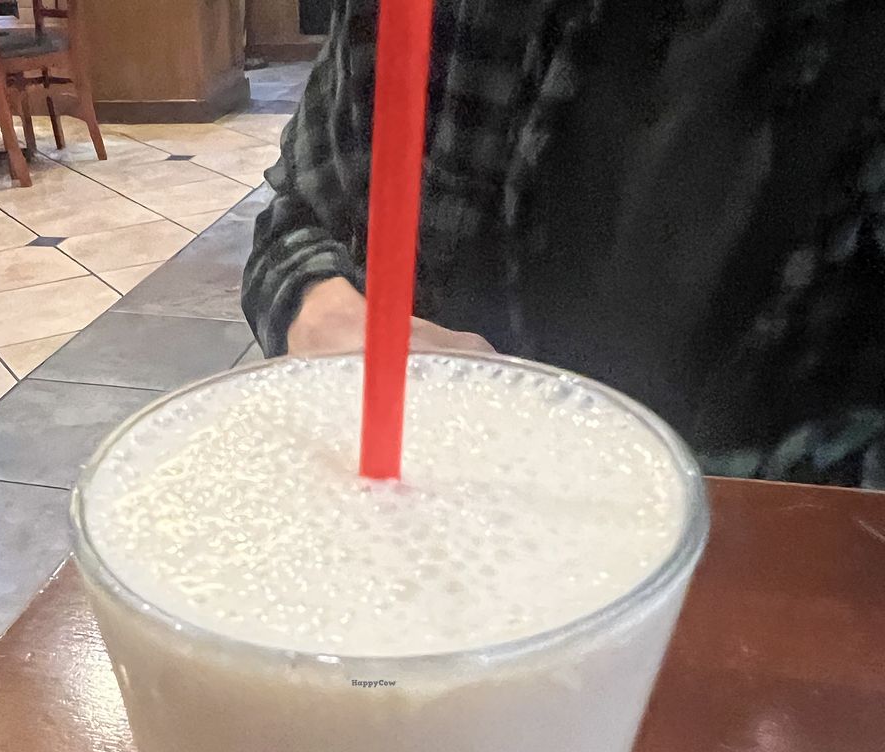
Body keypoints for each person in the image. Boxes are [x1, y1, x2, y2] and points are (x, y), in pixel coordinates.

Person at [242, 0, 885, 488]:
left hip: (771, 570)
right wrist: (324, 311)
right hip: (429, 525)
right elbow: (297, 220)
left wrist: (635, 496)